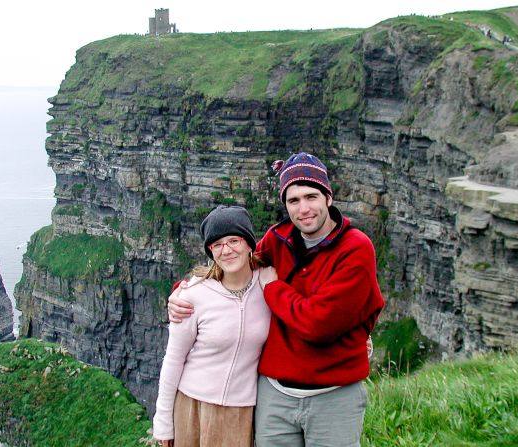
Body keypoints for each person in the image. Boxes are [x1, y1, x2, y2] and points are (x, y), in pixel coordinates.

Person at [170, 152, 385, 446]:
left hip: (334, 394)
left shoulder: (356, 248)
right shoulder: (277, 238)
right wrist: (184, 291)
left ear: (328, 198)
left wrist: (274, 290)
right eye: (293, 201)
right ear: (285, 205)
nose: (304, 208)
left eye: (311, 197)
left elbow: (318, 324)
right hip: (275, 394)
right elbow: (236, 267)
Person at [153, 206, 271, 447]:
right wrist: (164, 423)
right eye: (217, 244)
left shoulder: (270, 284)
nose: (226, 250)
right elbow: (173, 360)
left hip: (240, 412)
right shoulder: (193, 295)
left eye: (234, 240)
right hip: (191, 408)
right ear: (210, 251)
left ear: (249, 244)